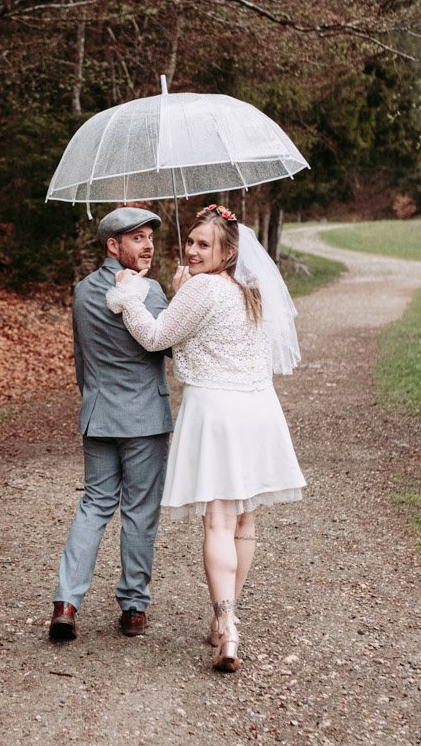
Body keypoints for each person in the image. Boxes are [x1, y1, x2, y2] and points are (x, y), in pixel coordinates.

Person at [106, 204, 304, 672]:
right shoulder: (251, 291)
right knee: (244, 524)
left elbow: (155, 338)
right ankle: (223, 623)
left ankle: (228, 627)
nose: (191, 251)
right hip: (258, 410)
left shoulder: (202, 289)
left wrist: (129, 294)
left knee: (218, 523)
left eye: (203, 244)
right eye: (190, 242)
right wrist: (183, 292)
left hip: (216, 412)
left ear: (228, 251)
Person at [48, 206, 173, 642]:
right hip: (145, 419)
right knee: (139, 511)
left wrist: (95, 401)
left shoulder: (83, 291)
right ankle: (134, 608)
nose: (148, 245)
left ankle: (67, 601)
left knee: (94, 505)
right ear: (113, 246)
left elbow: (82, 361)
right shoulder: (151, 291)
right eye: (137, 238)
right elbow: (167, 346)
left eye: (149, 237)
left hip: (99, 414)